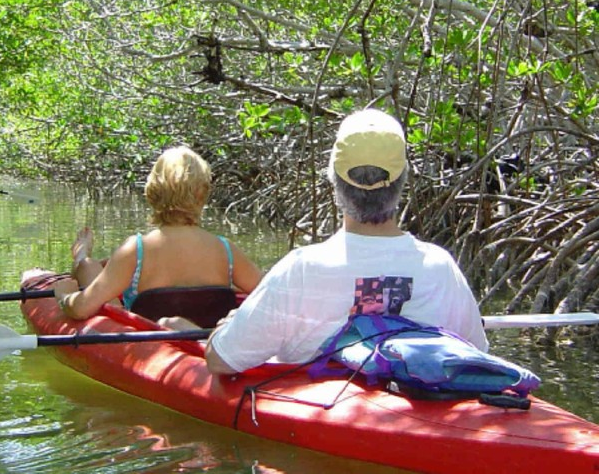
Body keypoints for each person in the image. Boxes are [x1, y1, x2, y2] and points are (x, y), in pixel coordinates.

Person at [205, 108, 489, 374]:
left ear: (333, 178)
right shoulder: (441, 268)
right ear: (403, 178)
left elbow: (220, 361)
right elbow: (477, 353)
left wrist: (226, 328)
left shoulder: (302, 269)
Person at [52, 146, 263, 329]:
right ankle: (83, 258)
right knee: (91, 268)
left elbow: (81, 309)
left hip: (152, 345)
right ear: (203, 194)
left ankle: (81, 257)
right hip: (202, 343)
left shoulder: (136, 249)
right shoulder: (226, 250)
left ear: (152, 192)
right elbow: (274, 296)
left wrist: (63, 297)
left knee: (88, 268)